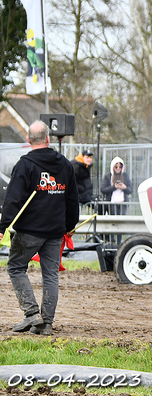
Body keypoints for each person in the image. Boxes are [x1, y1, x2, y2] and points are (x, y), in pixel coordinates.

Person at [0, 120, 79, 336]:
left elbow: (13, 199)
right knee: (50, 275)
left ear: (28, 140)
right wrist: (70, 226)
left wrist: (3, 225)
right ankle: (47, 323)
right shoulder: (64, 164)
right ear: (47, 138)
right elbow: (72, 199)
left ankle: (32, 313)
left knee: (16, 267)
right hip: (55, 230)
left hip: (29, 231)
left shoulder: (25, 164)